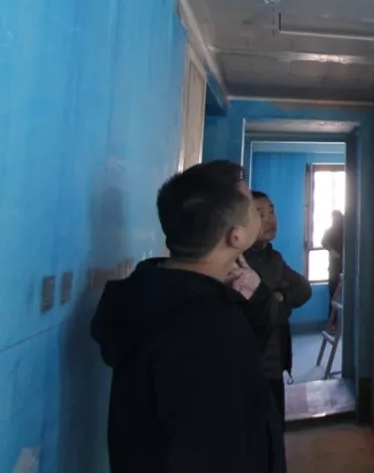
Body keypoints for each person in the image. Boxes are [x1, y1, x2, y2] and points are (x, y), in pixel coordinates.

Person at [90, 160, 286, 473]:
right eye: (252, 205)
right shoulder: (207, 325)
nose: (261, 215)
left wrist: (257, 299)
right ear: (235, 237)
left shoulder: (151, 290)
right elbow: (213, 450)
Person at [248, 191, 313, 424]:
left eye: (271, 211)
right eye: (259, 213)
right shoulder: (241, 262)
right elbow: (268, 313)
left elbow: (304, 289)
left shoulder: (273, 257)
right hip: (253, 367)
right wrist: (281, 302)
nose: (270, 219)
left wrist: (279, 295)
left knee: (276, 427)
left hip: (274, 362)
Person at [322, 209, 345, 304]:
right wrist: (331, 251)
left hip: (345, 266)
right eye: (334, 219)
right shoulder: (329, 231)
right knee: (333, 294)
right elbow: (324, 242)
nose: (335, 221)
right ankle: (332, 313)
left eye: (337, 219)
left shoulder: (346, 231)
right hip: (334, 267)